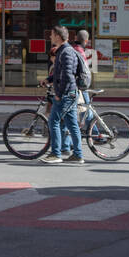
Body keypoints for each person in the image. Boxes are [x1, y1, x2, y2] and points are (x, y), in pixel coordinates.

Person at [43, 26, 83, 163]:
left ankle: (56, 154)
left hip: (66, 94)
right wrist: (48, 80)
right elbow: (59, 73)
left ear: (58, 37)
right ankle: (78, 155)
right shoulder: (63, 51)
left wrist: (59, 94)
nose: (50, 37)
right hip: (69, 93)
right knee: (72, 125)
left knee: (53, 121)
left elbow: (67, 76)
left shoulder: (66, 52)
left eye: (52, 35)